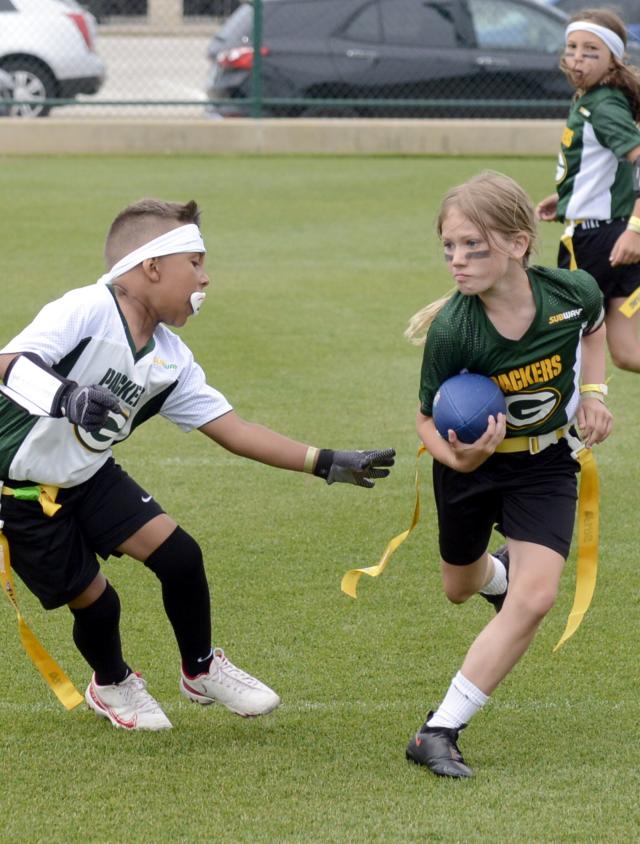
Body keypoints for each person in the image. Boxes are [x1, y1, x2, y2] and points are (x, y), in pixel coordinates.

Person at [0, 197, 395, 732]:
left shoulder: (171, 358)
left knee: (181, 557)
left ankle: (201, 669)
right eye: (196, 263)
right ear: (152, 266)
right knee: (95, 600)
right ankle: (112, 683)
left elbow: (234, 431)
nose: (205, 279)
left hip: (89, 476)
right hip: (19, 495)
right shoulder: (87, 308)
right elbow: (7, 363)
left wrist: (324, 461)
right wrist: (66, 396)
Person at [403, 171, 612, 778]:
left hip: (546, 464)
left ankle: (438, 731)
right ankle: (497, 578)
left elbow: (593, 330)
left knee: (538, 596)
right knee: (459, 587)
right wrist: (458, 458)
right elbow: (423, 420)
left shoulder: (572, 291)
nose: (458, 260)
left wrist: (594, 394)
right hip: (471, 470)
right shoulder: (454, 330)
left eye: (474, 244)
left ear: (519, 243)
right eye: (449, 247)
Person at [536, 7, 640, 372]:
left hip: (599, 243)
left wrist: (635, 229)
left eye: (591, 50)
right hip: (610, 236)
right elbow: (610, 168)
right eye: (572, 47)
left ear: (613, 60)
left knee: (568, 343)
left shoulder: (602, 104)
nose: (578, 57)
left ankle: (570, 423)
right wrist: (567, 199)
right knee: (627, 352)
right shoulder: (591, 97)